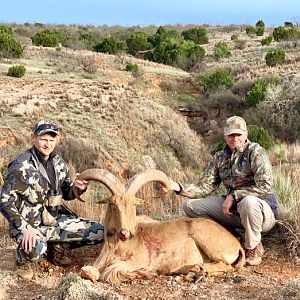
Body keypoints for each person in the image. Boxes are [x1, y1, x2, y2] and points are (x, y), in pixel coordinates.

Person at [164, 116, 278, 266]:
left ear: (245, 134)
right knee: (190, 206)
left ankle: (254, 246)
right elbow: (205, 187)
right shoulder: (219, 157)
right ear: (225, 136)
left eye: (238, 134)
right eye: (231, 134)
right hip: (236, 211)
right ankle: (231, 237)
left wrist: (234, 195)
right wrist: (178, 187)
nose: (235, 138)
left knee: (248, 203)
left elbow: (266, 186)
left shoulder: (256, 152)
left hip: (262, 214)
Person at [0, 120, 104, 280]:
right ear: (33, 137)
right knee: (36, 248)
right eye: (43, 139)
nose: (47, 144)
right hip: (29, 225)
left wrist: (78, 188)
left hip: (53, 221)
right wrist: (25, 228)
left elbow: (67, 192)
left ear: (56, 140)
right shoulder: (20, 166)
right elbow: (5, 201)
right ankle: (22, 261)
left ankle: (57, 248)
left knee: (100, 232)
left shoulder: (59, 163)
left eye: (51, 140)